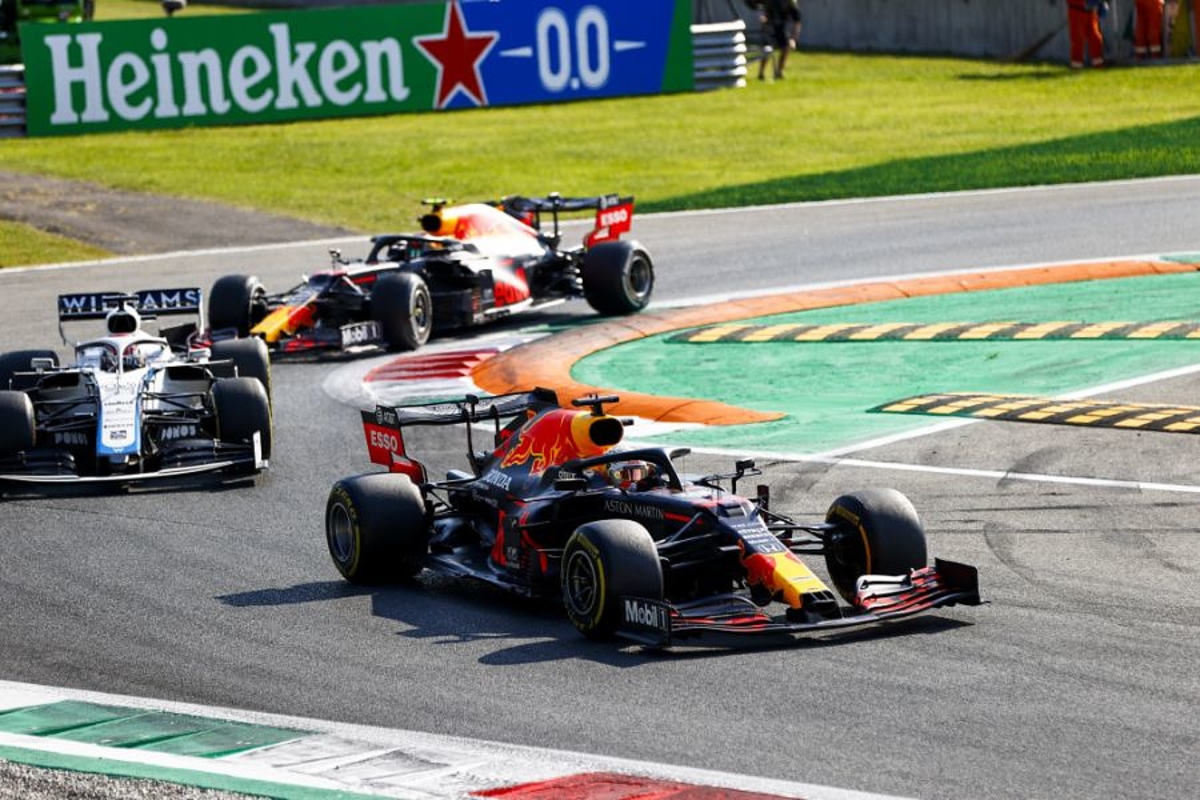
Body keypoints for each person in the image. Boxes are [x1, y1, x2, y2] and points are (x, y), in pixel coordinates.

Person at [749, 0, 802, 80]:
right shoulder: (774, 3)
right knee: (767, 49)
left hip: (781, 28)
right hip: (769, 26)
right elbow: (765, 13)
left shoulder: (794, 8)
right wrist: (764, 18)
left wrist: (793, 39)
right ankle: (761, 73)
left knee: (786, 47)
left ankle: (779, 72)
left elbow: (797, 24)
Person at [1067, 0, 1107, 68]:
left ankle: (1098, 64)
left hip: (1090, 11)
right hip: (1077, 10)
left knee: (1095, 38)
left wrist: (1101, 3)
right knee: (1078, 39)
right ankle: (1077, 65)